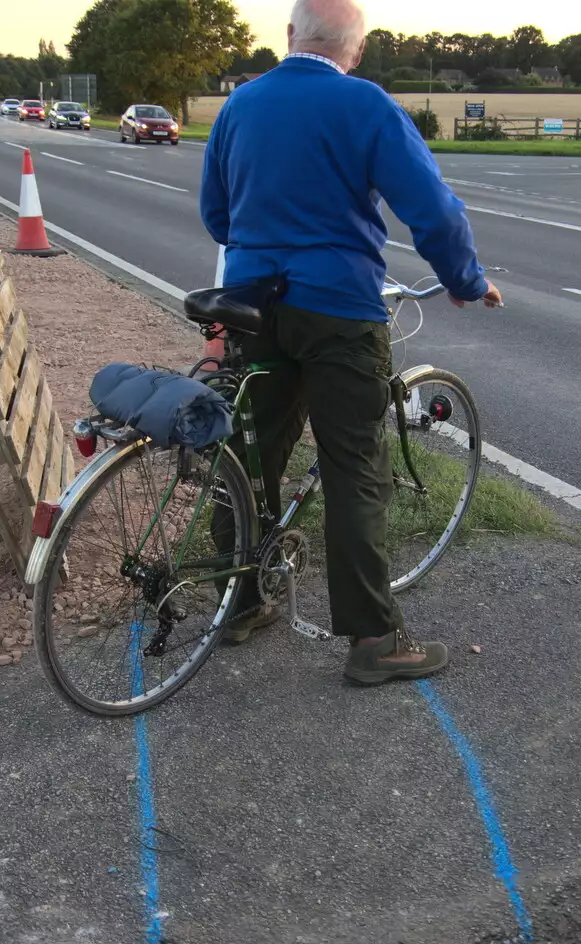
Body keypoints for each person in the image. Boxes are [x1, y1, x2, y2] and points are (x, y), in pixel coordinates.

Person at [199, 0, 502, 685]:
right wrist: (464, 279)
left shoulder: (240, 105)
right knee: (354, 468)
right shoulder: (364, 105)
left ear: (289, 37)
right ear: (354, 52)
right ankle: (372, 638)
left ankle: (238, 602)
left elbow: (216, 215)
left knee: (251, 454)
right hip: (337, 307)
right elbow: (432, 209)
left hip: (252, 305)